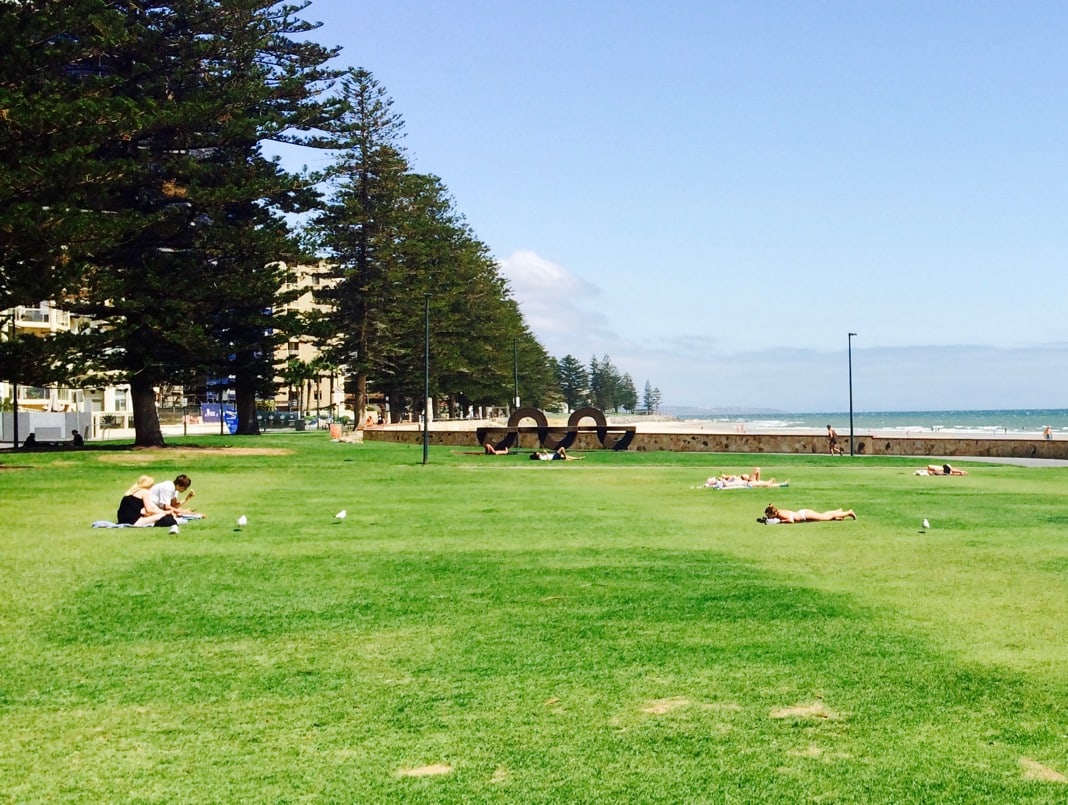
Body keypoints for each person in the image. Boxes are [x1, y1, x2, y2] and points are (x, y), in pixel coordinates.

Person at [759, 504, 856, 524]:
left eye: (769, 516)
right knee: (823, 515)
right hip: (804, 513)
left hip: (805, 515)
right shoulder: (779, 511)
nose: (768, 517)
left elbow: (791, 520)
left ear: (772, 514)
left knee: (827, 518)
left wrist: (780, 522)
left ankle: (848, 512)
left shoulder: (780, 515)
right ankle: (838, 511)